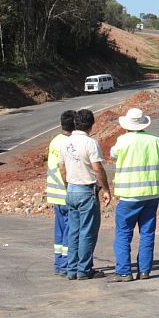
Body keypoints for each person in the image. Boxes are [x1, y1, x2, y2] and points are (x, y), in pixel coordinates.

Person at [109, 107, 159, 282]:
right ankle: (144, 271)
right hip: (151, 195)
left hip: (128, 196)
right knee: (147, 233)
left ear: (127, 124)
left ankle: (124, 272)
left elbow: (112, 155)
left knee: (123, 234)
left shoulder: (122, 140)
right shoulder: (155, 141)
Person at [59, 109, 111, 280]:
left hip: (71, 189)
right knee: (88, 231)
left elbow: (62, 168)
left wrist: (68, 185)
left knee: (73, 231)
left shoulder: (65, 143)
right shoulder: (90, 143)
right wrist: (106, 189)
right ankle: (84, 269)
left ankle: (71, 269)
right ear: (91, 124)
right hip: (86, 190)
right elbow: (97, 168)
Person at [45, 110, 75, 276]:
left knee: (60, 230)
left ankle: (59, 263)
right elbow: (64, 169)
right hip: (65, 192)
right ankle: (65, 265)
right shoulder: (69, 143)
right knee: (69, 231)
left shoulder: (55, 140)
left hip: (54, 192)